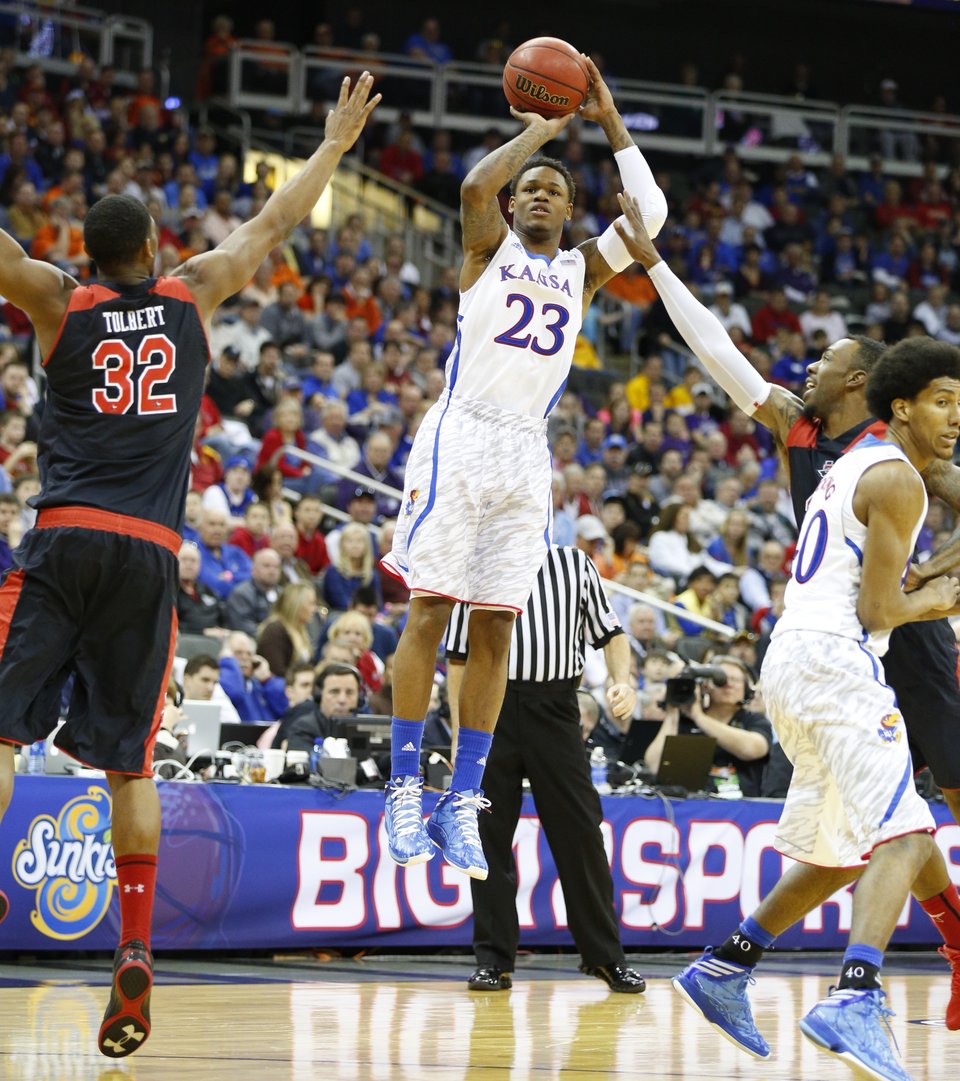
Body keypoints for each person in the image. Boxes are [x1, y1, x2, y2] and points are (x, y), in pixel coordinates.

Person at [0, 73, 378, 1058]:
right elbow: (273, 223)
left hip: (64, 533)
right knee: (129, 763)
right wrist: (334, 147)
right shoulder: (194, 291)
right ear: (155, 249)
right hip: (148, 554)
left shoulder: (56, 303)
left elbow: (3, 257)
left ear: (86, 254)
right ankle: (133, 946)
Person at [624, 194, 960, 1015]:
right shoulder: (800, 429)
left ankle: (938, 936)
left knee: (929, 802)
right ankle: (942, 938)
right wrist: (657, 265)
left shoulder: (899, 450)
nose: (803, 369)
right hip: (848, 631)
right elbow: (715, 348)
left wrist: (930, 578)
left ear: (859, 380)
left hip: (891, 633)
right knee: (893, 820)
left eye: (822, 361)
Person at [378, 58, 667, 879]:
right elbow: (475, 187)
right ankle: (404, 785)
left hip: (525, 448)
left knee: (498, 622)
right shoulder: (487, 249)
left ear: (573, 210)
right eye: (529, 189)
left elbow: (650, 213)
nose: (538, 195)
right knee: (432, 609)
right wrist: (541, 126)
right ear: (516, 205)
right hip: (460, 434)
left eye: (554, 190)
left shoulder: (582, 269)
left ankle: (459, 802)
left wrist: (609, 121)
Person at [671, 339, 960, 1079]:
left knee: (837, 849)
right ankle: (856, 994)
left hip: (793, 662)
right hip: (837, 663)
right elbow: (880, 607)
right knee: (907, 831)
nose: (956, 418)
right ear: (900, 405)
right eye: (942, 401)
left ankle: (725, 965)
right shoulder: (896, 477)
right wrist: (942, 596)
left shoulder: (857, 462)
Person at [445, 545, 645, 994]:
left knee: (581, 832)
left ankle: (605, 957)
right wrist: (461, 731)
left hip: (555, 707)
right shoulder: (475, 562)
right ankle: (494, 960)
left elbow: (611, 633)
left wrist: (621, 681)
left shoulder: (573, 563)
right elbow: (459, 657)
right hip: (487, 707)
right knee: (487, 836)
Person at [643, 655, 771, 796]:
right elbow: (655, 765)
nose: (728, 684)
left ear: (746, 689)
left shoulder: (752, 720)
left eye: (735, 680)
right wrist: (672, 713)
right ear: (705, 686)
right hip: (692, 804)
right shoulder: (686, 721)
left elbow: (752, 749)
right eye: (720, 679)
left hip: (742, 808)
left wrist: (699, 717)